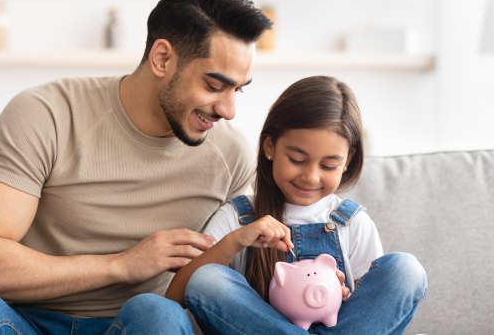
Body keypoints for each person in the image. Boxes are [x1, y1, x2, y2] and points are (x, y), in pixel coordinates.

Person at [0, 0, 273, 335]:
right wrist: (121, 265)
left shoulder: (230, 154)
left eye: (238, 91)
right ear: (163, 58)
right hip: (22, 324)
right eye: (215, 86)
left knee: (159, 313)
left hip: (137, 325)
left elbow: (251, 263)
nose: (228, 109)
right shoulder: (47, 114)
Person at [166, 76, 428, 334]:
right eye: (297, 159)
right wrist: (235, 241)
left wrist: (343, 296)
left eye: (328, 165)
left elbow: (368, 316)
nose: (311, 177)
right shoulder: (238, 216)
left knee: (405, 271)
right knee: (206, 279)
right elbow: (177, 297)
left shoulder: (352, 222)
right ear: (269, 146)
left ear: (348, 160)